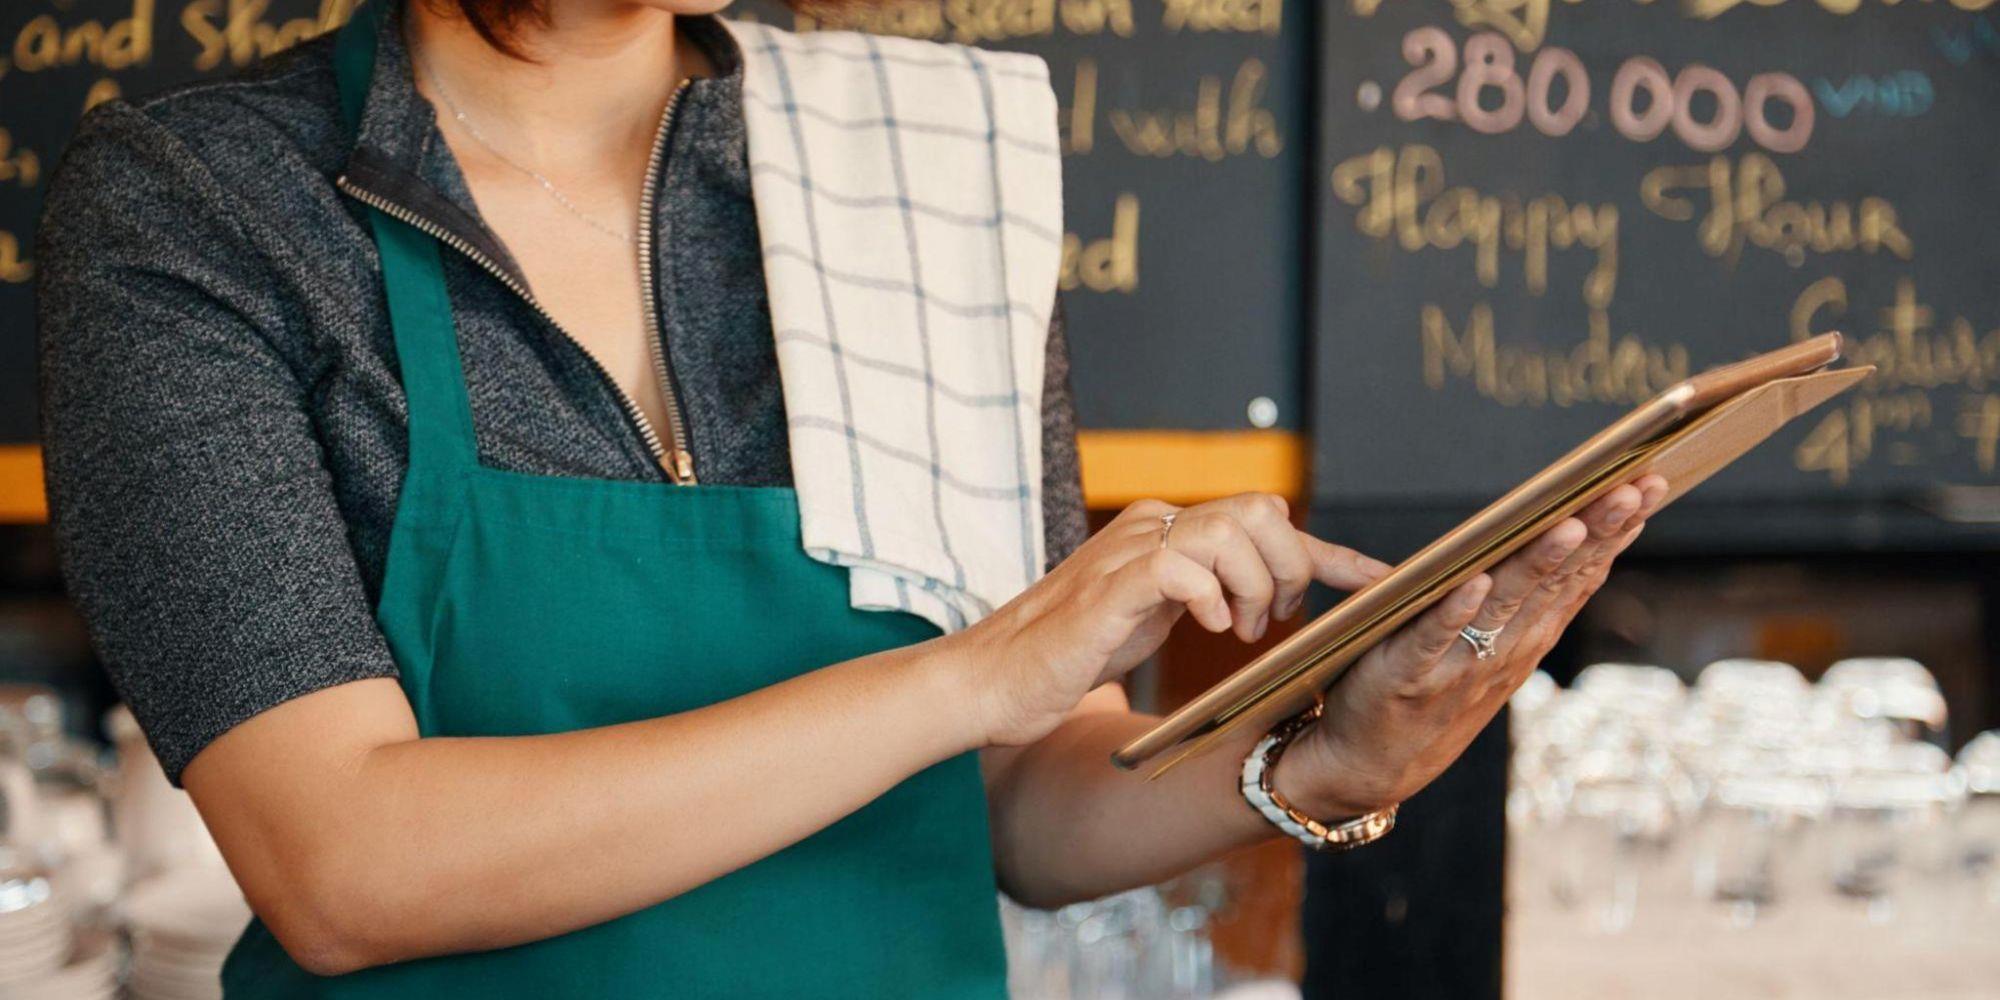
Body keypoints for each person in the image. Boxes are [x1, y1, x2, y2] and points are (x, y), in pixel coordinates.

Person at [33, 0, 1667, 995]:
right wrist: (968, 674)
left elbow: (1022, 803)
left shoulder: (916, 175)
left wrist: (1326, 755)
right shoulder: (200, 207)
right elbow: (342, 867)